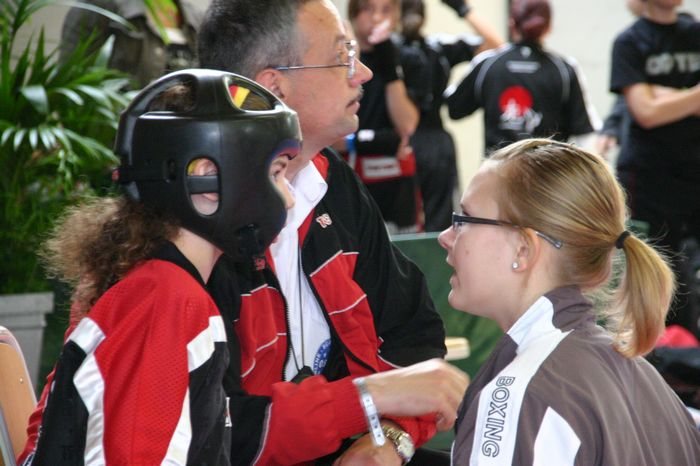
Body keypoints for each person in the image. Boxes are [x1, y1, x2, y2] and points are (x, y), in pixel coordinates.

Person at [197, 1, 467, 464]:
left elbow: (413, 333)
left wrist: (390, 439)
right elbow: (211, 430)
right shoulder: (197, 225)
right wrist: (366, 399)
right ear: (273, 87)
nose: (362, 73)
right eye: (343, 56)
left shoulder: (333, 186)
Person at [18, 68, 304, 464]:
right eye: (277, 173)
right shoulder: (167, 300)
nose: (289, 199)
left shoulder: (157, 283)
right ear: (207, 178)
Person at [439, 138, 700, 465]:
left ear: (523, 249)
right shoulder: (645, 380)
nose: (446, 237)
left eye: (465, 218)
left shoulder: (522, 394)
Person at [610, 0, 700, 339]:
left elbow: (649, 104)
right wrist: (694, 97)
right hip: (649, 176)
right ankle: (666, 352)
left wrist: (662, 95)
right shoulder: (630, 41)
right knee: (659, 269)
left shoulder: (695, 34)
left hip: (694, 170)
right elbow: (645, 112)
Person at [399, 0, 503, 231]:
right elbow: (497, 45)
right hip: (427, 144)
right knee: (435, 224)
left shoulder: (427, 47)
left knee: (407, 225)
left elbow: (497, 48)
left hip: (405, 143)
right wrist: (463, 9)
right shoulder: (432, 48)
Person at [445, 0, 598, 155]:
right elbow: (584, 134)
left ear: (511, 24)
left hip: (498, 167)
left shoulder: (488, 64)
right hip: (549, 168)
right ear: (548, 27)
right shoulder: (564, 69)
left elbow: (454, 108)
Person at [343, 0, 423, 233]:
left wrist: (391, 68)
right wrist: (373, 141)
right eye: (368, 9)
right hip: (352, 172)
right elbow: (330, 128)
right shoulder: (338, 60)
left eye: (386, 10)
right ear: (354, 13)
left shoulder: (408, 58)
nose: (377, 18)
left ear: (397, 14)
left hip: (397, 182)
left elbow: (407, 125)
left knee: (404, 247)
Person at [60, 0, 210, 88]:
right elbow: (71, 80)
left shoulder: (198, 16)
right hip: (120, 129)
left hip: (185, 129)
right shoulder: (100, 6)